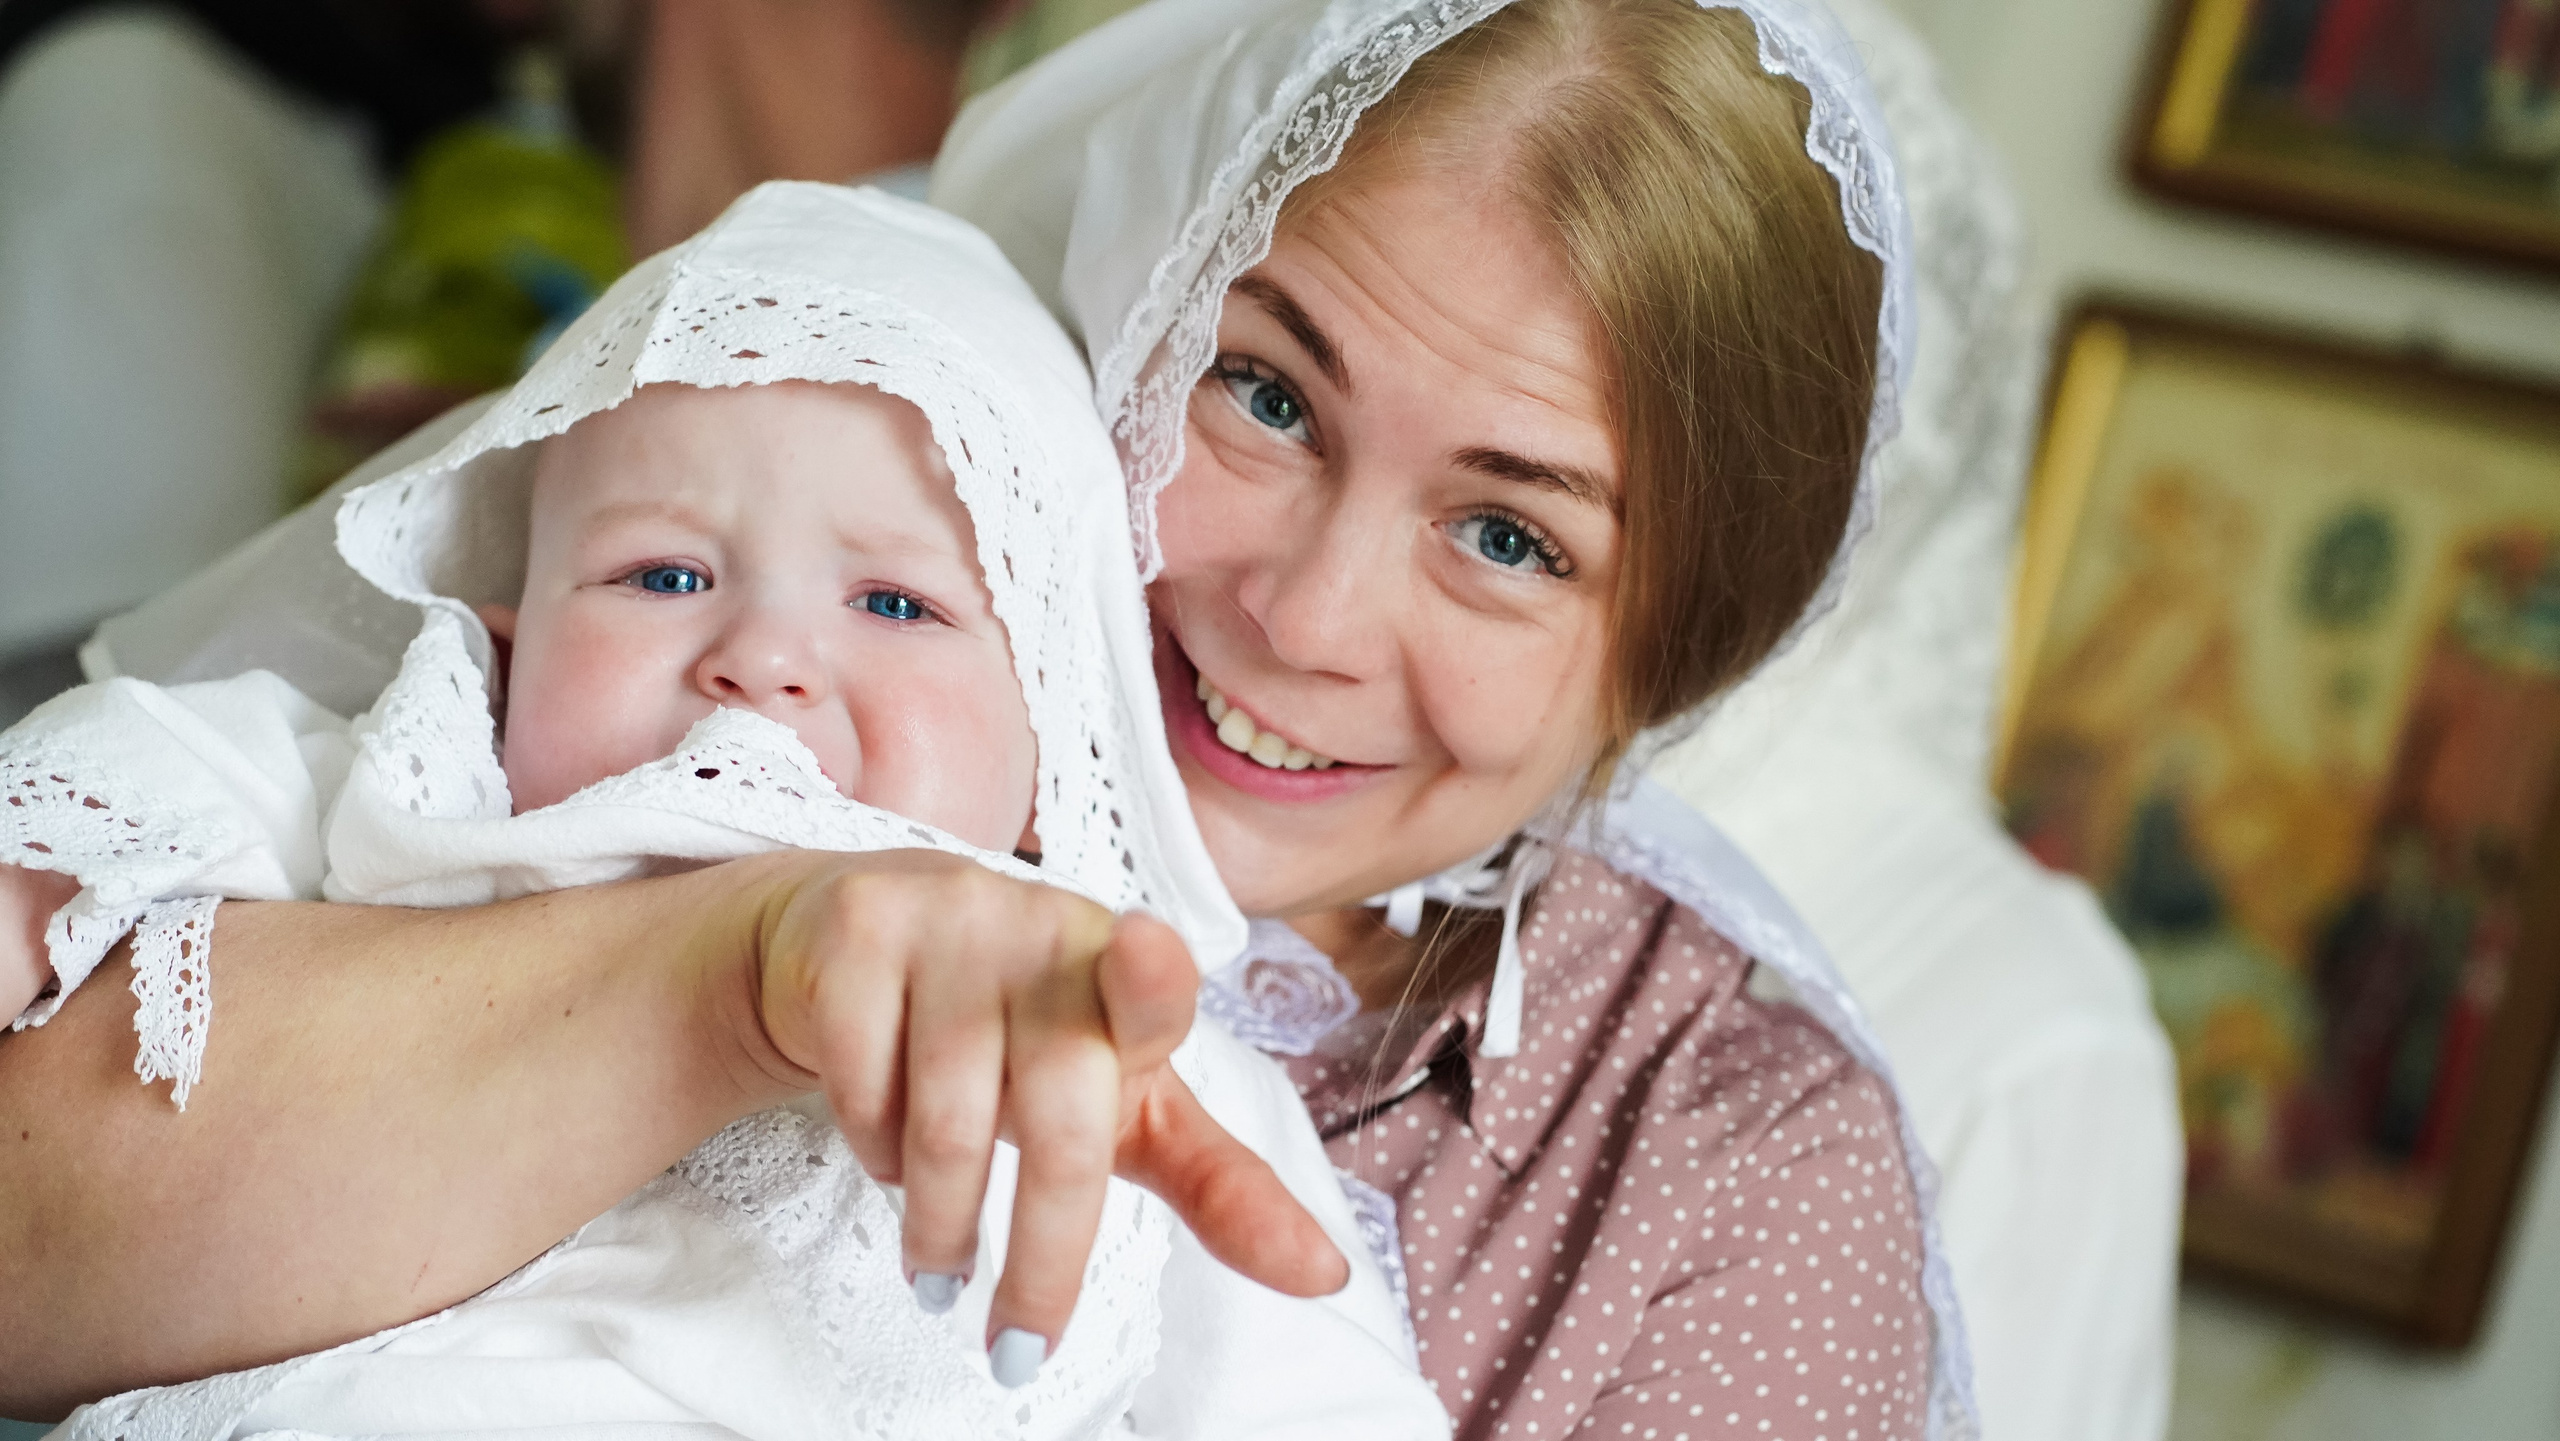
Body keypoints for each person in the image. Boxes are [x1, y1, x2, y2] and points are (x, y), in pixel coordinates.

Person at [3, 3, 1974, 1437]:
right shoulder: (636, 640)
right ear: (1118, 317)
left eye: (1503, 534)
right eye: (1261, 395)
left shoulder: (1726, 1164)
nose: (1298, 616)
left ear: (1665, 662)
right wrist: (716, 972)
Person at [6, 182, 1442, 1440]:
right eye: (662, 576)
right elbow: (92, 811)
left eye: (894, 602)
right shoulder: (389, 780)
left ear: (1053, 758)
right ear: (511, 634)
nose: (760, 660)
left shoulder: (1112, 1053)